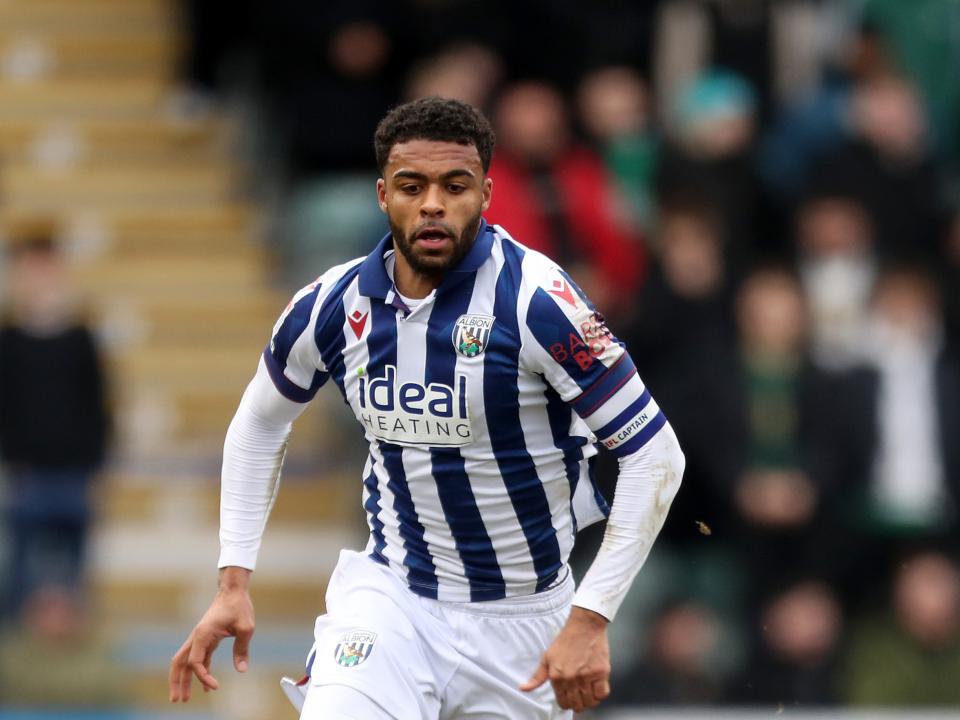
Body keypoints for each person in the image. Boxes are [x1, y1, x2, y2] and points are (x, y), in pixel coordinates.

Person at [168, 97, 684, 718]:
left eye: (455, 186)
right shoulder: (331, 305)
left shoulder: (539, 303)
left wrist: (590, 618)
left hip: (523, 621)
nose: (433, 203)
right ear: (383, 195)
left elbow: (656, 454)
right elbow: (258, 424)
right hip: (393, 600)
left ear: (487, 194)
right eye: (412, 186)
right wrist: (233, 581)